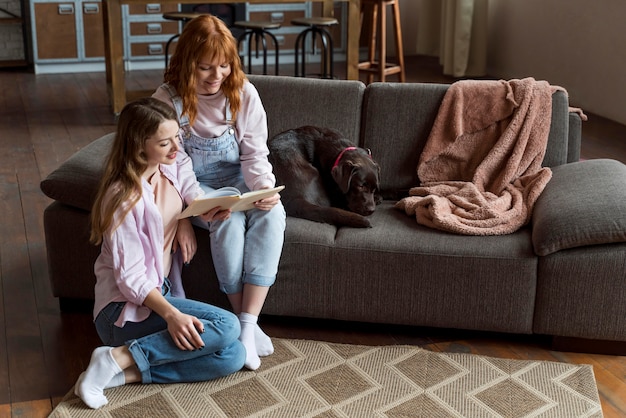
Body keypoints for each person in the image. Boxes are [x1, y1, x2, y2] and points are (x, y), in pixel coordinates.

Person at [75, 97, 245, 410]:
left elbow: (187, 181)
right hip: (122, 310)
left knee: (233, 355)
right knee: (229, 326)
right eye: (165, 143)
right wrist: (172, 315)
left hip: (158, 293)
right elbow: (130, 279)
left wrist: (195, 214)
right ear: (139, 146)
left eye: (177, 138)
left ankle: (121, 372)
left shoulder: (168, 166)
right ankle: (119, 354)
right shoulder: (122, 198)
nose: (176, 149)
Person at [152, 14, 286, 371]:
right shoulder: (167, 100)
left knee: (273, 212)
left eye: (224, 66)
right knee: (226, 222)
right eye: (205, 67)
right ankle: (247, 325)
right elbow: (171, 167)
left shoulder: (243, 93)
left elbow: (255, 154)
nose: (216, 77)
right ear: (185, 63)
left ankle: (246, 324)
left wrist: (263, 189)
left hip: (241, 178)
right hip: (196, 185)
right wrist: (193, 208)